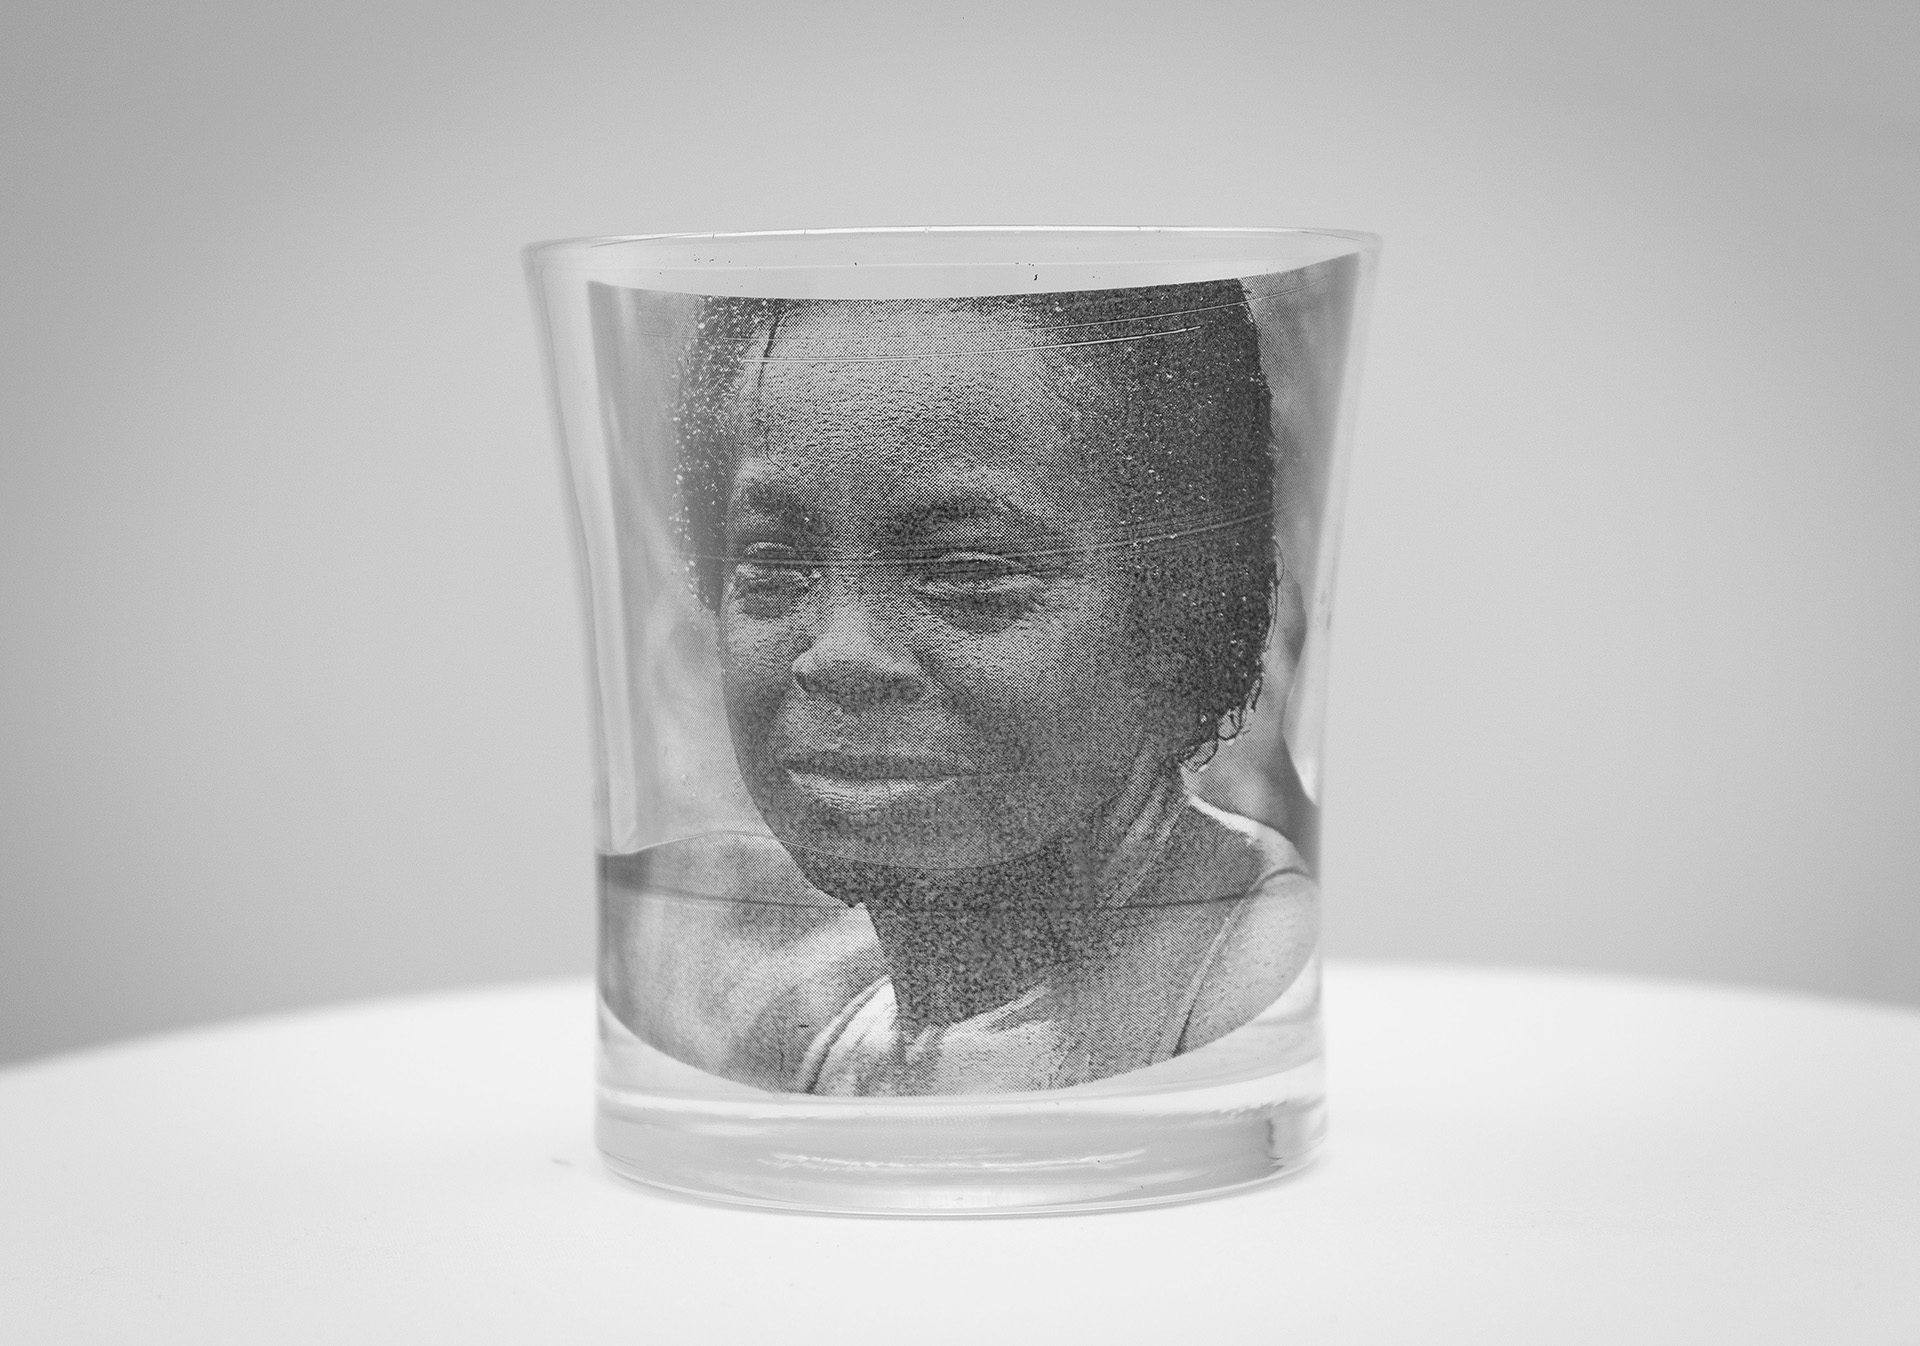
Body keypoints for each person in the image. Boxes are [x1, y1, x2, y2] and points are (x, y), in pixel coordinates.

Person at [602, 279, 1318, 1095]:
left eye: (966, 572)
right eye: (772, 563)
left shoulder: (1251, 977)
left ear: (1178, 608)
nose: (840, 655)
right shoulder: (848, 1044)